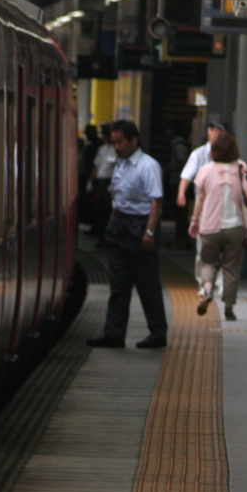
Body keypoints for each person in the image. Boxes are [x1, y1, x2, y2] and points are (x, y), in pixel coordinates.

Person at [88, 120, 167, 349]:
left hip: (140, 225)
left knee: (147, 283)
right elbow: (117, 197)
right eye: (114, 142)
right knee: (118, 283)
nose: (116, 147)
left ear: (133, 140)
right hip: (119, 225)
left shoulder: (148, 165)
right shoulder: (120, 164)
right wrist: (112, 223)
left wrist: (149, 232)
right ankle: (114, 333)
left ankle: (157, 333)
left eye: (120, 142)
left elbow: (155, 201)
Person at [189, 133, 247, 321]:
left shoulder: (205, 170)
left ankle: (208, 290)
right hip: (235, 227)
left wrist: (194, 221)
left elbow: (200, 199)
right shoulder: (239, 170)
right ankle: (228, 308)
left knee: (209, 263)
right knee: (231, 268)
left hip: (210, 227)